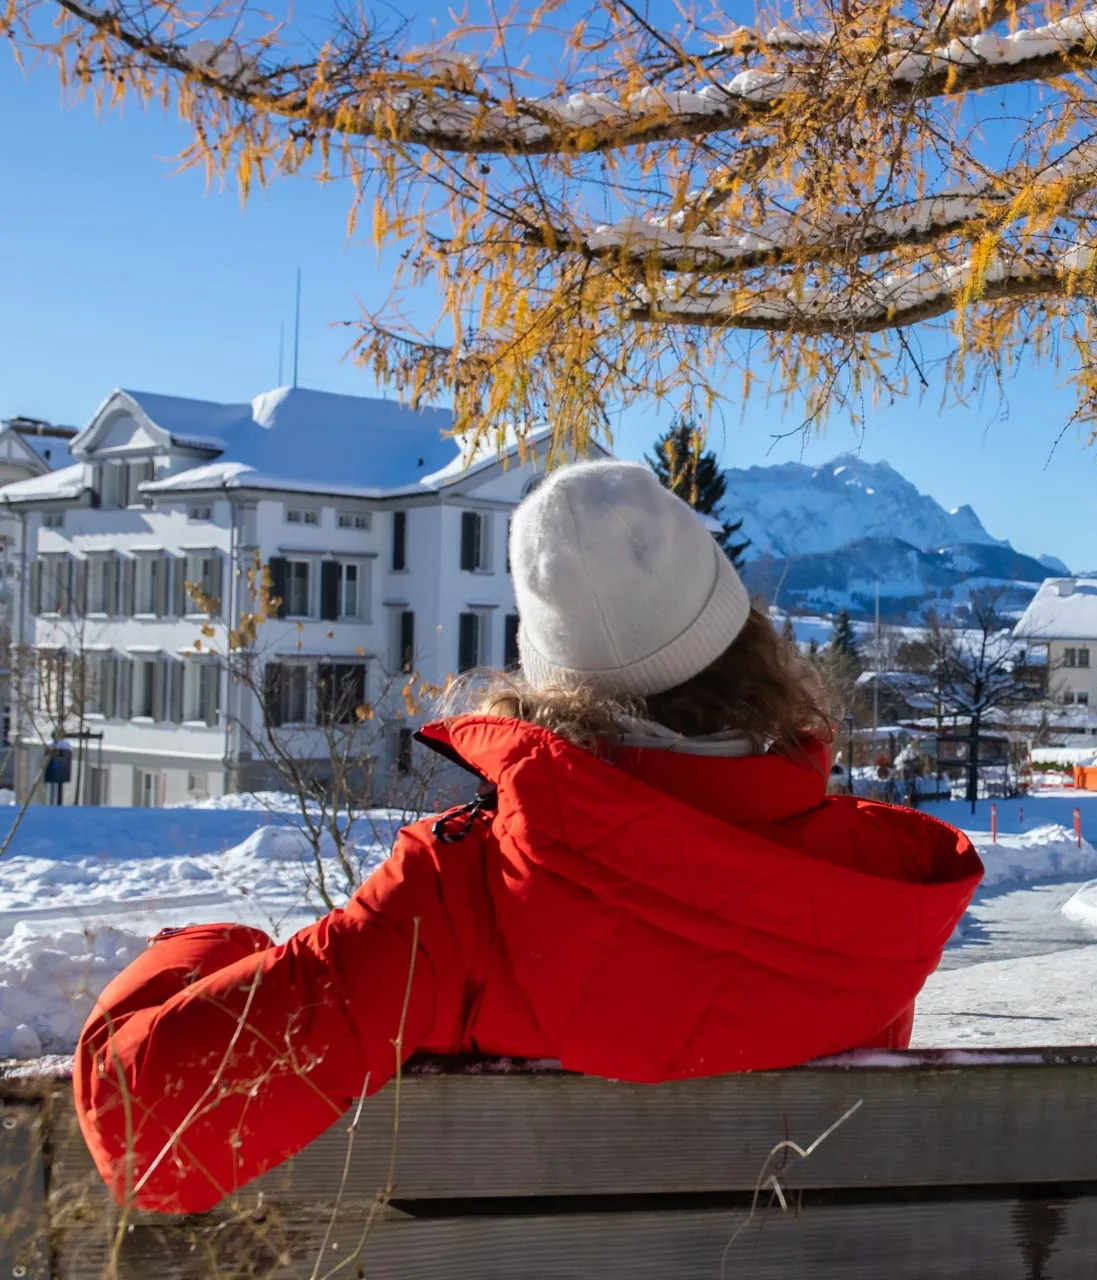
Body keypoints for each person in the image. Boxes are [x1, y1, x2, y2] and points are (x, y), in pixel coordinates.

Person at [75, 460, 984, 1214]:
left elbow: (144, 1123)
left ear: (548, 676)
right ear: (748, 640)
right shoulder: (875, 880)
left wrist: (206, 948)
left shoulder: (459, 895)